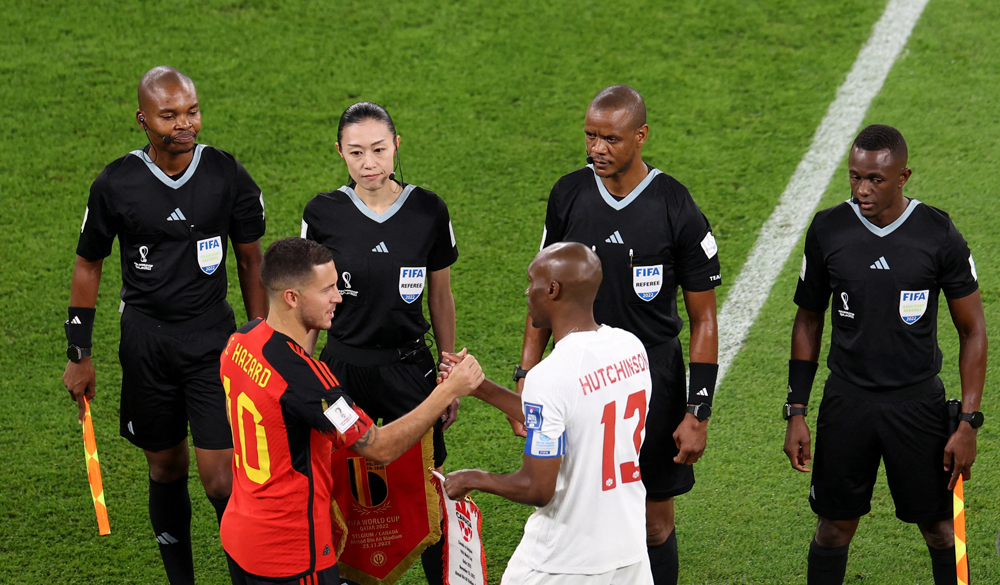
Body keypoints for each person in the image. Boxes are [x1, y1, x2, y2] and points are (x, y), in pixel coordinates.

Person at [61, 66, 268, 584]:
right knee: (165, 468)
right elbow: (89, 264)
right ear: (142, 119)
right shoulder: (116, 183)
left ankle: (243, 577)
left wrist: (263, 335)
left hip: (213, 342)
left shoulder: (226, 174)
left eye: (192, 112)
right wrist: (78, 353)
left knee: (222, 480)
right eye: (169, 115)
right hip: (147, 343)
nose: (185, 124)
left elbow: (251, 260)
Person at [516, 85, 721, 585]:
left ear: (641, 136)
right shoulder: (569, 193)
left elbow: (705, 319)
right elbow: (544, 290)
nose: (597, 149)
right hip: (577, 373)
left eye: (610, 138)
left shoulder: (675, 204)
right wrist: (525, 371)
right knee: (570, 503)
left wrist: (698, 411)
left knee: (654, 521)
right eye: (590, 136)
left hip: (650, 374)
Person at [783, 124, 987, 585]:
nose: (862, 190)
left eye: (875, 179)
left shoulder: (937, 232)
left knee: (939, 530)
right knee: (833, 529)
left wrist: (968, 422)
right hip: (846, 402)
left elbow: (973, 331)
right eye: (855, 177)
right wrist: (796, 410)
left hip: (917, 405)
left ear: (903, 176)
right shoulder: (828, 228)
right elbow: (808, 319)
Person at [219, 237, 484, 585]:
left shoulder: (242, 340)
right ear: (292, 298)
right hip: (292, 555)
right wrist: (448, 390)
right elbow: (380, 447)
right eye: (327, 289)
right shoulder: (308, 380)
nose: (338, 298)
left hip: (241, 534)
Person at [300, 102, 459, 582]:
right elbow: (309, 302)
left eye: (378, 149)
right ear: (340, 154)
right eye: (356, 152)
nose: (369, 163)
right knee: (346, 487)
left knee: (425, 488)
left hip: (411, 369)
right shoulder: (322, 213)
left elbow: (441, 295)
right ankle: (351, 577)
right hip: (343, 371)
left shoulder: (429, 210)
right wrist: (302, 371)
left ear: (396, 146)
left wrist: (447, 372)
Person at [444, 242, 654, 585]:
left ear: (552, 289)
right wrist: (479, 385)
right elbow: (565, 413)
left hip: (563, 559)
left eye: (532, 281)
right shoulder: (630, 348)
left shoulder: (551, 374)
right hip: (628, 548)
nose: (528, 292)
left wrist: (473, 478)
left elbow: (536, 488)